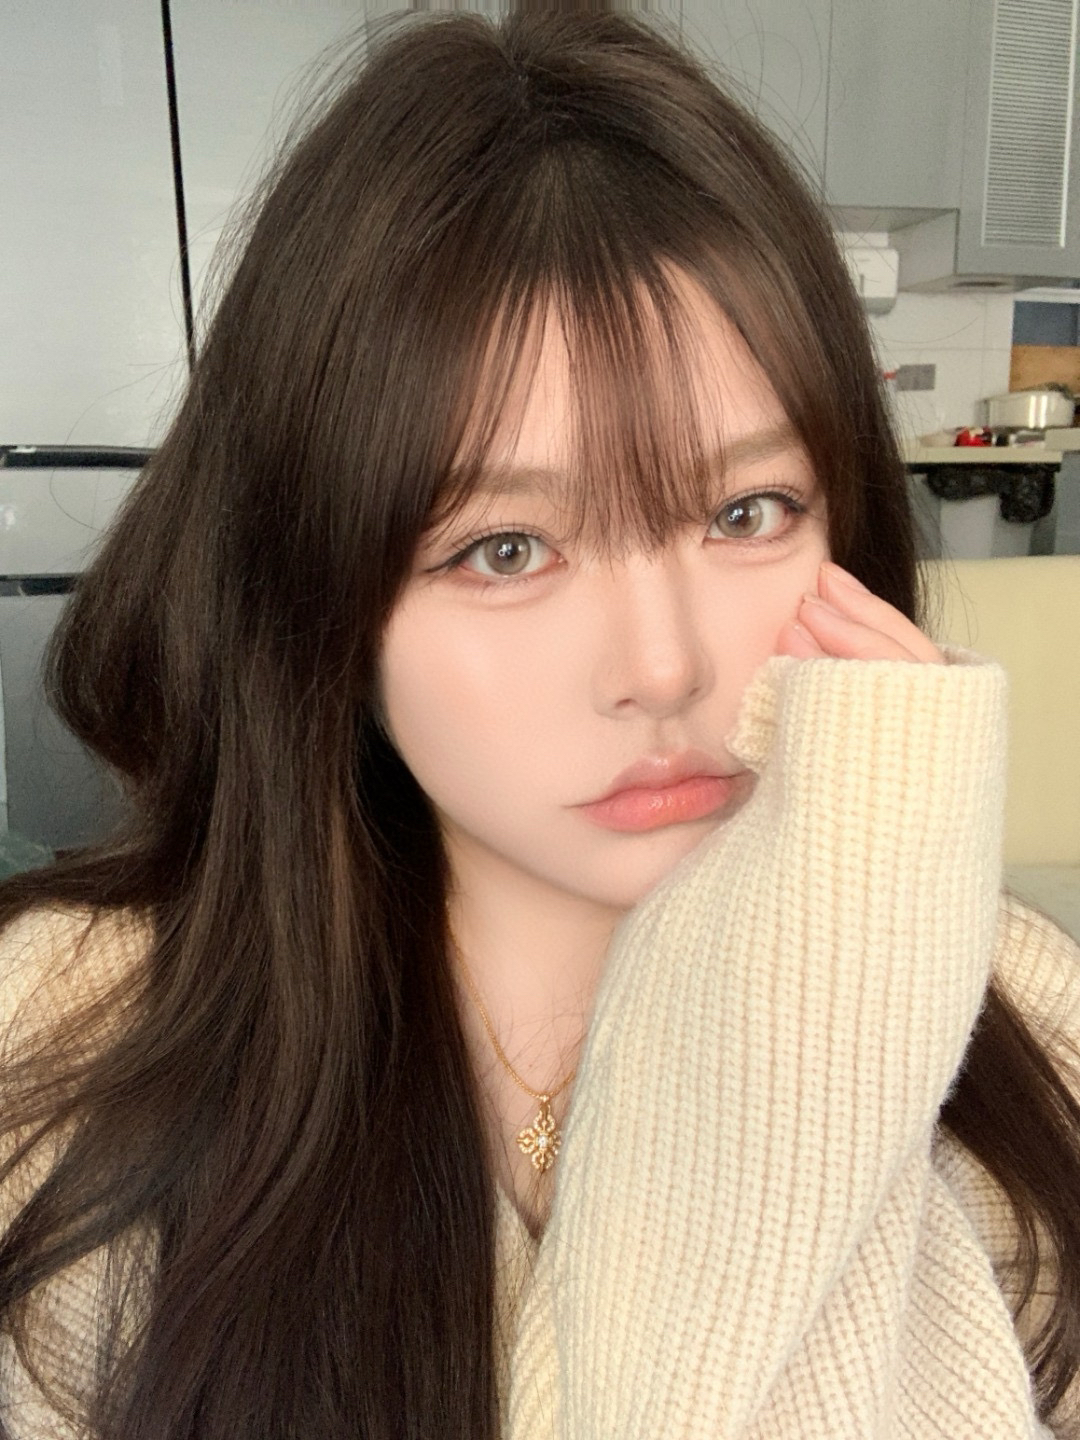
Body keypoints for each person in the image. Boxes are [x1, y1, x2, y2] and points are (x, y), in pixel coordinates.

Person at [0, 5, 1078, 1437]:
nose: (662, 667)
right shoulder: (62, 1036)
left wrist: (856, 992)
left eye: (746, 512)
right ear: (320, 598)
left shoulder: (1022, 1012)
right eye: (505, 548)